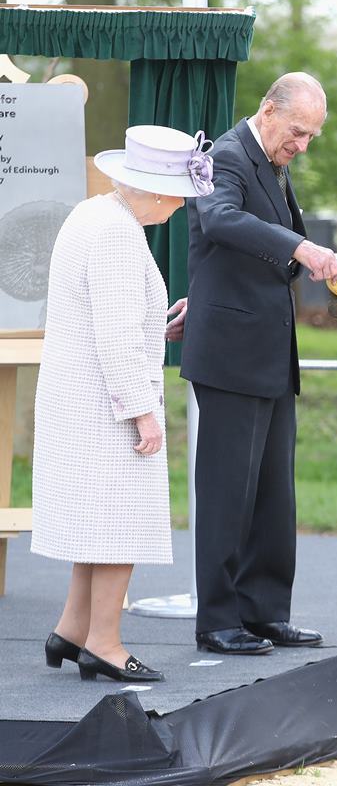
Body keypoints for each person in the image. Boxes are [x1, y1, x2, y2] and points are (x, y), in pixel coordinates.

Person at [32, 124, 213, 682]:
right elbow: (112, 336)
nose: (183, 206)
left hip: (80, 392)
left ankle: (72, 628)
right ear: (157, 190)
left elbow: (105, 319)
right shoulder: (116, 233)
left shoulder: (93, 214)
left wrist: (156, 327)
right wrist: (143, 410)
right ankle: (105, 644)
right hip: (104, 400)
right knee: (121, 522)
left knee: (97, 519)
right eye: (181, 194)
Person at [182, 72, 337, 656]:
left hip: (270, 352)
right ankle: (218, 620)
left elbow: (276, 242)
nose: (302, 145)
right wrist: (299, 248)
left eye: (311, 137)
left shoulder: (273, 161)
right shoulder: (221, 156)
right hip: (228, 354)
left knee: (275, 493)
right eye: (297, 132)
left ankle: (266, 611)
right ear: (269, 111)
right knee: (227, 493)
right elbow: (219, 220)